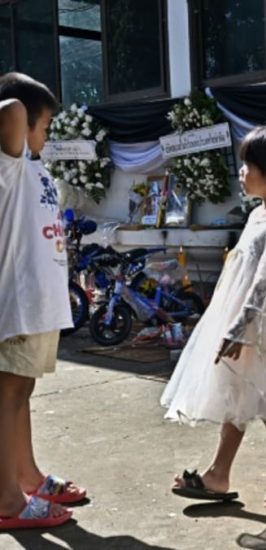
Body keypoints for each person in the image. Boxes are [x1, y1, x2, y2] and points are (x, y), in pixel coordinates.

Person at [162, 122, 266, 512]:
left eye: (248, 166)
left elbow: (265, 283)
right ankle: (220, 473)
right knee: (244, 393)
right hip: (247, 317)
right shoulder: (261, 213)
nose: (241, 173)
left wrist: (242, 327)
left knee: (261, 394)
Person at [0, 73, 86, 531]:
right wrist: (17, 99)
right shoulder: (8, 163)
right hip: (17, 303)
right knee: (7, 394)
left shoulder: (32, 165)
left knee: (21, 391)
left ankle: (26, 475)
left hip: (39, 304)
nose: (47, 136)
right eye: (46, 125)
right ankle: (7, 499)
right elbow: (11, 109)